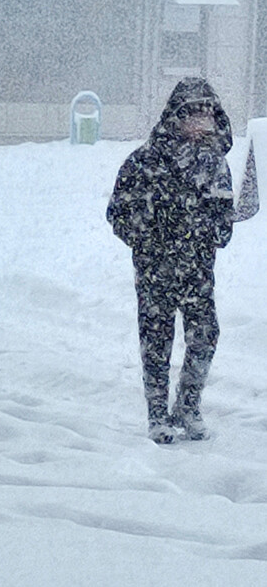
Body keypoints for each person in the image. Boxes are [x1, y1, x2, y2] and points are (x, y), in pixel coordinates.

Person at [107, 77, 235, 444]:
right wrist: (149, 238)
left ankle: (189, 406)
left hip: (198, 269)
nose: (203, 121)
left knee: (206, 335)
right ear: (177, 116)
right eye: (194, 113)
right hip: (155, 269)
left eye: (209, 114)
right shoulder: (145, 161)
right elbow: (118, 212)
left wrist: (217, 231)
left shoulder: (214, 165)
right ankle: (157, 414)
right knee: (157, 340)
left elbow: (223, 214)